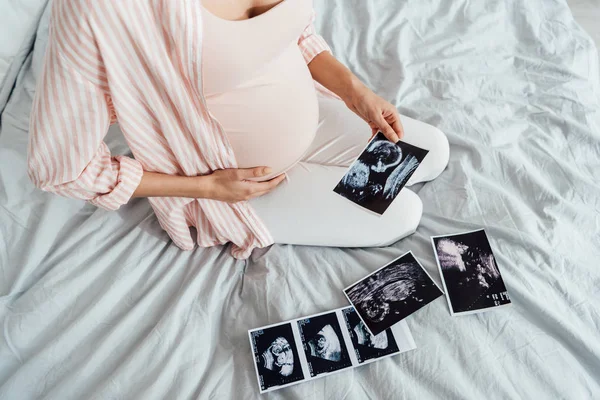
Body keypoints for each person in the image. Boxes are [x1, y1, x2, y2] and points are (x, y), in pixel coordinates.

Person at [28, 0, 449, 259]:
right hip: (238, 183)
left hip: (310, 115)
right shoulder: (100, 9)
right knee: (402, 214)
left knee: (434, 150)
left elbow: (293, 30)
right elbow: (61, 167)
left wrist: (354, 91)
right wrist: (210, 189)